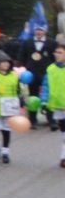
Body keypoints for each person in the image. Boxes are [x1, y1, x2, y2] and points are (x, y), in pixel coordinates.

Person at [0, 52, 30, 164]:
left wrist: (21, 99)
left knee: (6, 130)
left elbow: (18, 90)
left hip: (10, 108)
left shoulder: (14, 75)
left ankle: (5, 152)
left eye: (8, 62)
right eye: (3, 62)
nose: (6, 64)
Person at [44, 41, 65, 169]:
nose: (57, 54)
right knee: (63, 132)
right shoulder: (50, 68)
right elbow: (46, 85)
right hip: (57, 105)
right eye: (56, 52)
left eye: (60, 52)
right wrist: (44, 101)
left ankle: (63, 157)